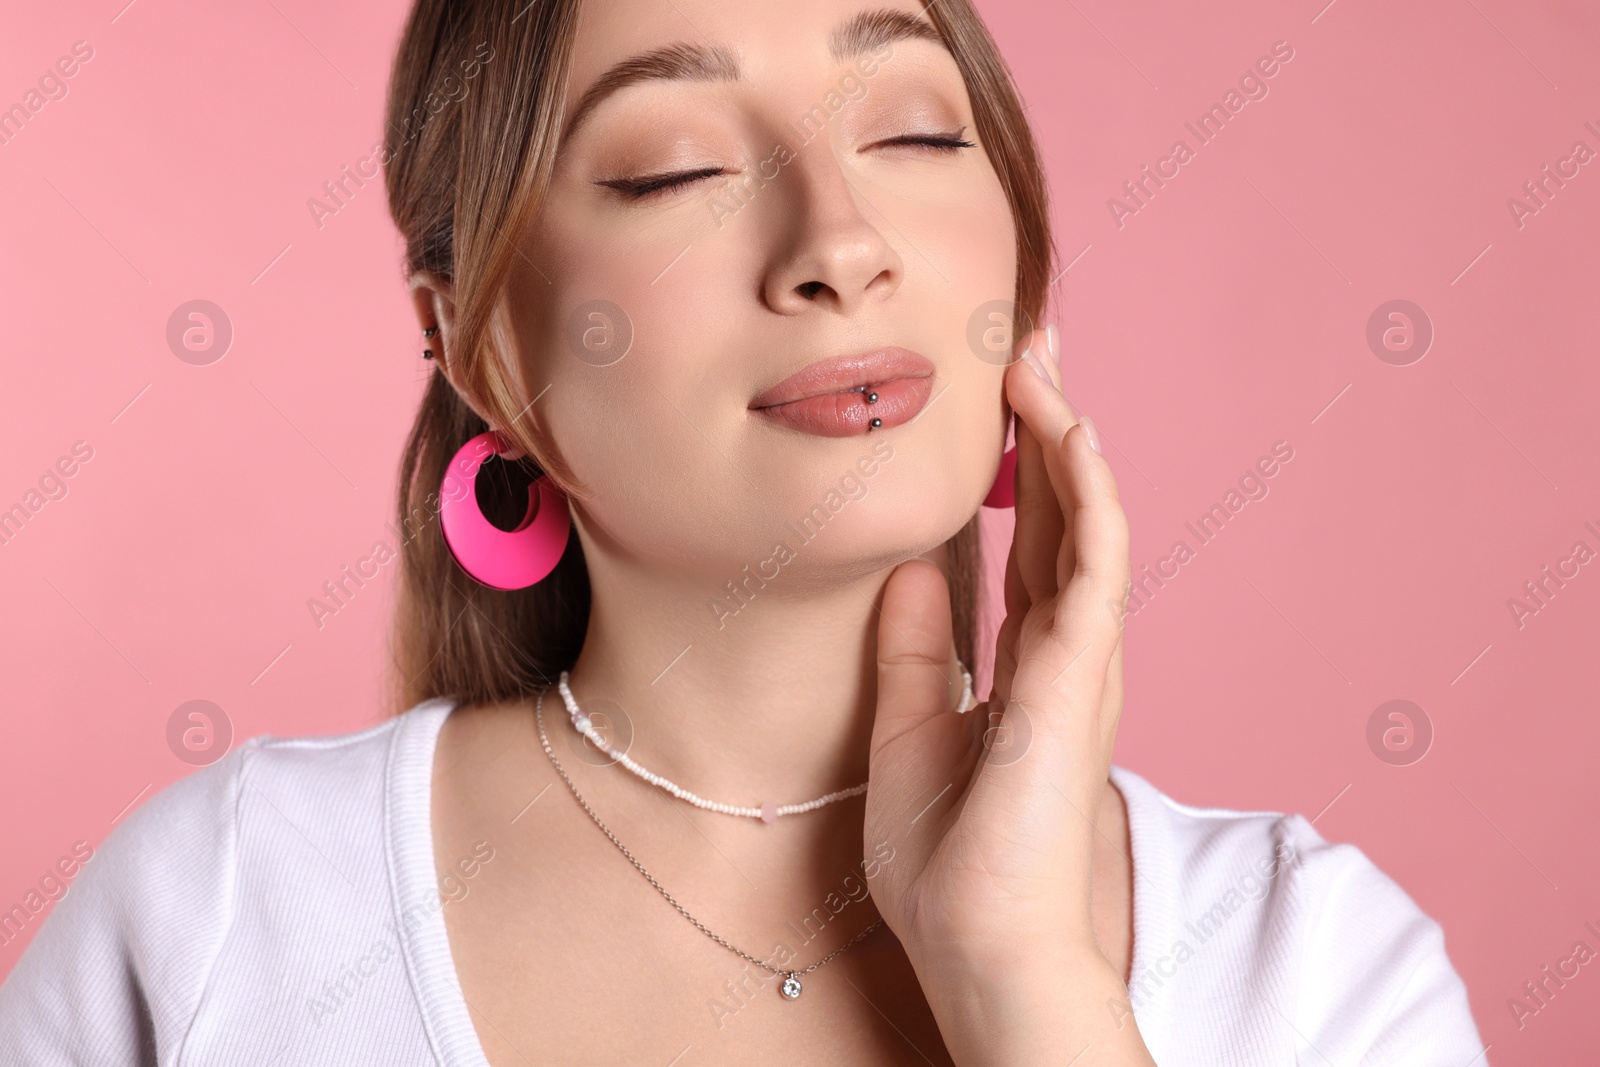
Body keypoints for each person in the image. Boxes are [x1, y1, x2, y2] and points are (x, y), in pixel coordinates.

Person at [0, 0, 1488, 1063]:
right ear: (481, 350)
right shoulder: (217, 916)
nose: (843, 243)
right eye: (678, 169)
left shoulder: (1314, 967)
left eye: (913, 129)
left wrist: (1023, 985)